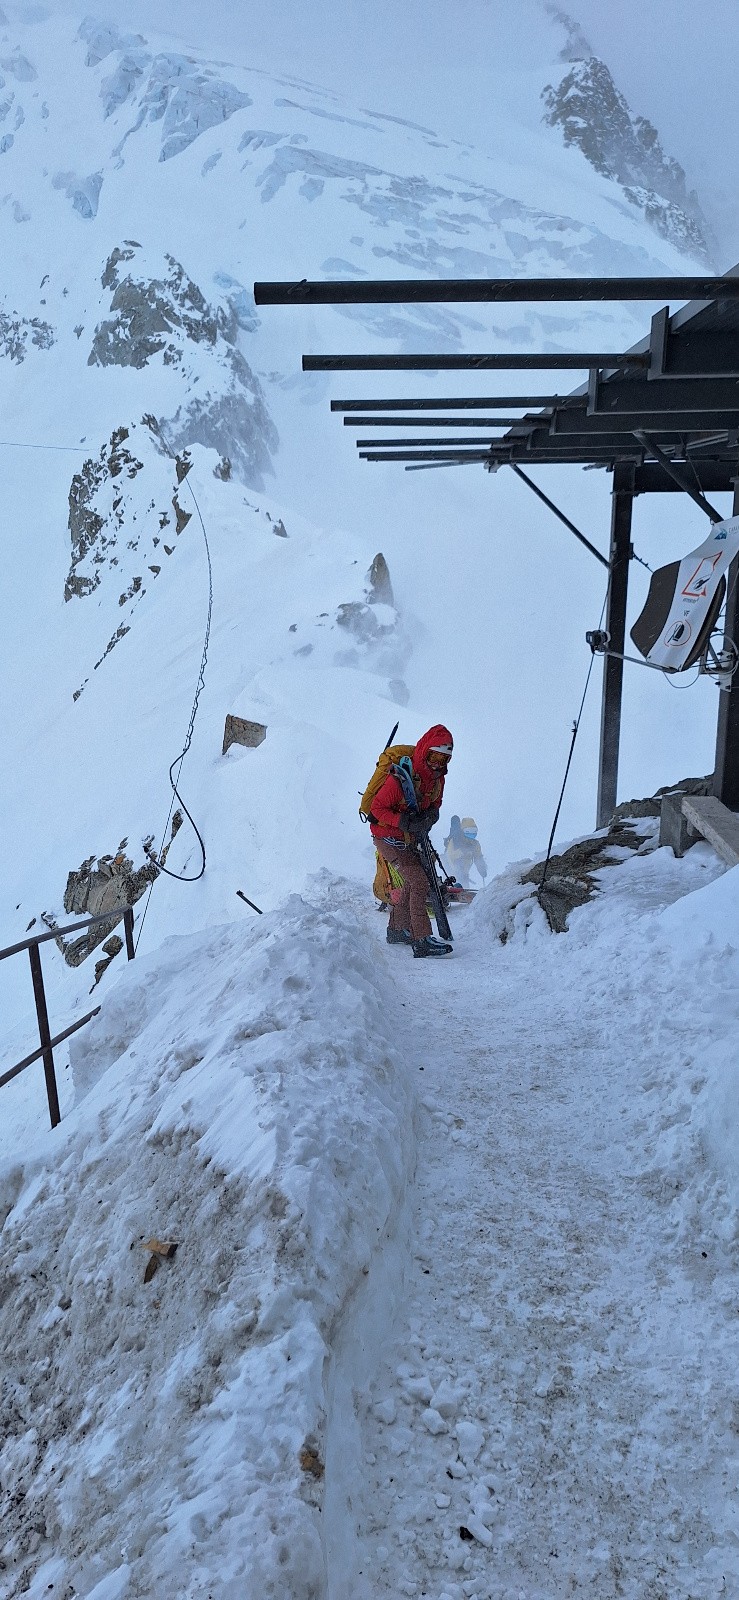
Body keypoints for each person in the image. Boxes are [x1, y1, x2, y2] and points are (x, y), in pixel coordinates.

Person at [370, 724, 454, 957]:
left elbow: (435, 805)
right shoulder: (400, 778)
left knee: (412, 881)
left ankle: (397, 930)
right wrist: (404, 822)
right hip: (387, 837)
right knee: (419, 882)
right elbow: (376, 811)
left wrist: (429, 818)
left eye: (444, 758)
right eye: (435, 756)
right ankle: (422, 939)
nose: (438, 763)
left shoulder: (437, 780)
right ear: (425, 751)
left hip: (408, 838)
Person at [444, 815, 487, 890]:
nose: (472, 834)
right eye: (468, 831)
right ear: (463, 831)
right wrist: (456, 871)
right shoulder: (455, 841)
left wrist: (482, 869)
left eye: (474, 831)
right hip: (450, 874)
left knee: (464, 891)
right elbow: (449, 856)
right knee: (452, 891)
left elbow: (478, 857)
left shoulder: (475, 844)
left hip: (465, 875)